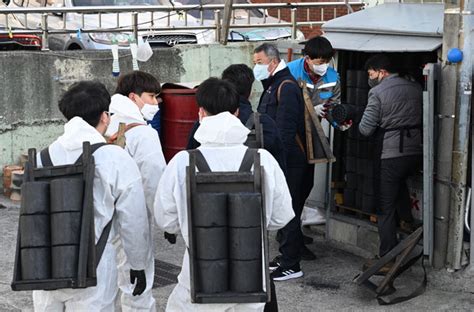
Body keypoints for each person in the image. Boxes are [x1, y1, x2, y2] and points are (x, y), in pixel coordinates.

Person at [154, 77, 294, 311]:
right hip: (251, 286)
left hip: (196, 286)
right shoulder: (263, 160)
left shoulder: (182, 163)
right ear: (237, 113)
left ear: (200, 113)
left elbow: (166, 221)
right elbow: (280, 218)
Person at [32, 81, 150, 311]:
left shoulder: (41, 157)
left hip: (46, 264)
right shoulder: (115, 157)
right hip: (94, 266)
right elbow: (133, 218)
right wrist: (137, 264)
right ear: (105, 116)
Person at [253, 43, 315, 280]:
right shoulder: (273, 85)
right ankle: (285, 255)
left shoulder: (285, 86)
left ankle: (292, 264)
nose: (255, 67)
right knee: (284, 207)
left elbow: (285, 131)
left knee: (289, 210)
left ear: (271, 61)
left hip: (290, 160)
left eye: (258, 63)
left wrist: (277, 163)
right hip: (282, 159)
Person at [106, 71, 166, 311]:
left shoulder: (106, 123)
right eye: (151, 97)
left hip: (103, 216)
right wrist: (166, 220)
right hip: (133, 216)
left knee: (107, 282)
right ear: (134, 97)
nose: (156, 103)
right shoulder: (144, 134)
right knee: (137, 282)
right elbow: (154, 180)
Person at [359, 54, 422, 272]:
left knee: (384, 207)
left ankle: (387, 258)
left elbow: (365, 129)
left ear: (382, 72)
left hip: (390, 153)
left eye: (371, 74)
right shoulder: (415, 88)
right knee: (400, 183)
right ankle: (407, 221)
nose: (370, 78)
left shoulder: (377, 92)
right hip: (416, 152)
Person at [186, 64, 286, 170]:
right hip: (255, 186)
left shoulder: (202, 125)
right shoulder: (265, 124)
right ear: (250, 91)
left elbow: (188, 164)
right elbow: (279, 170)